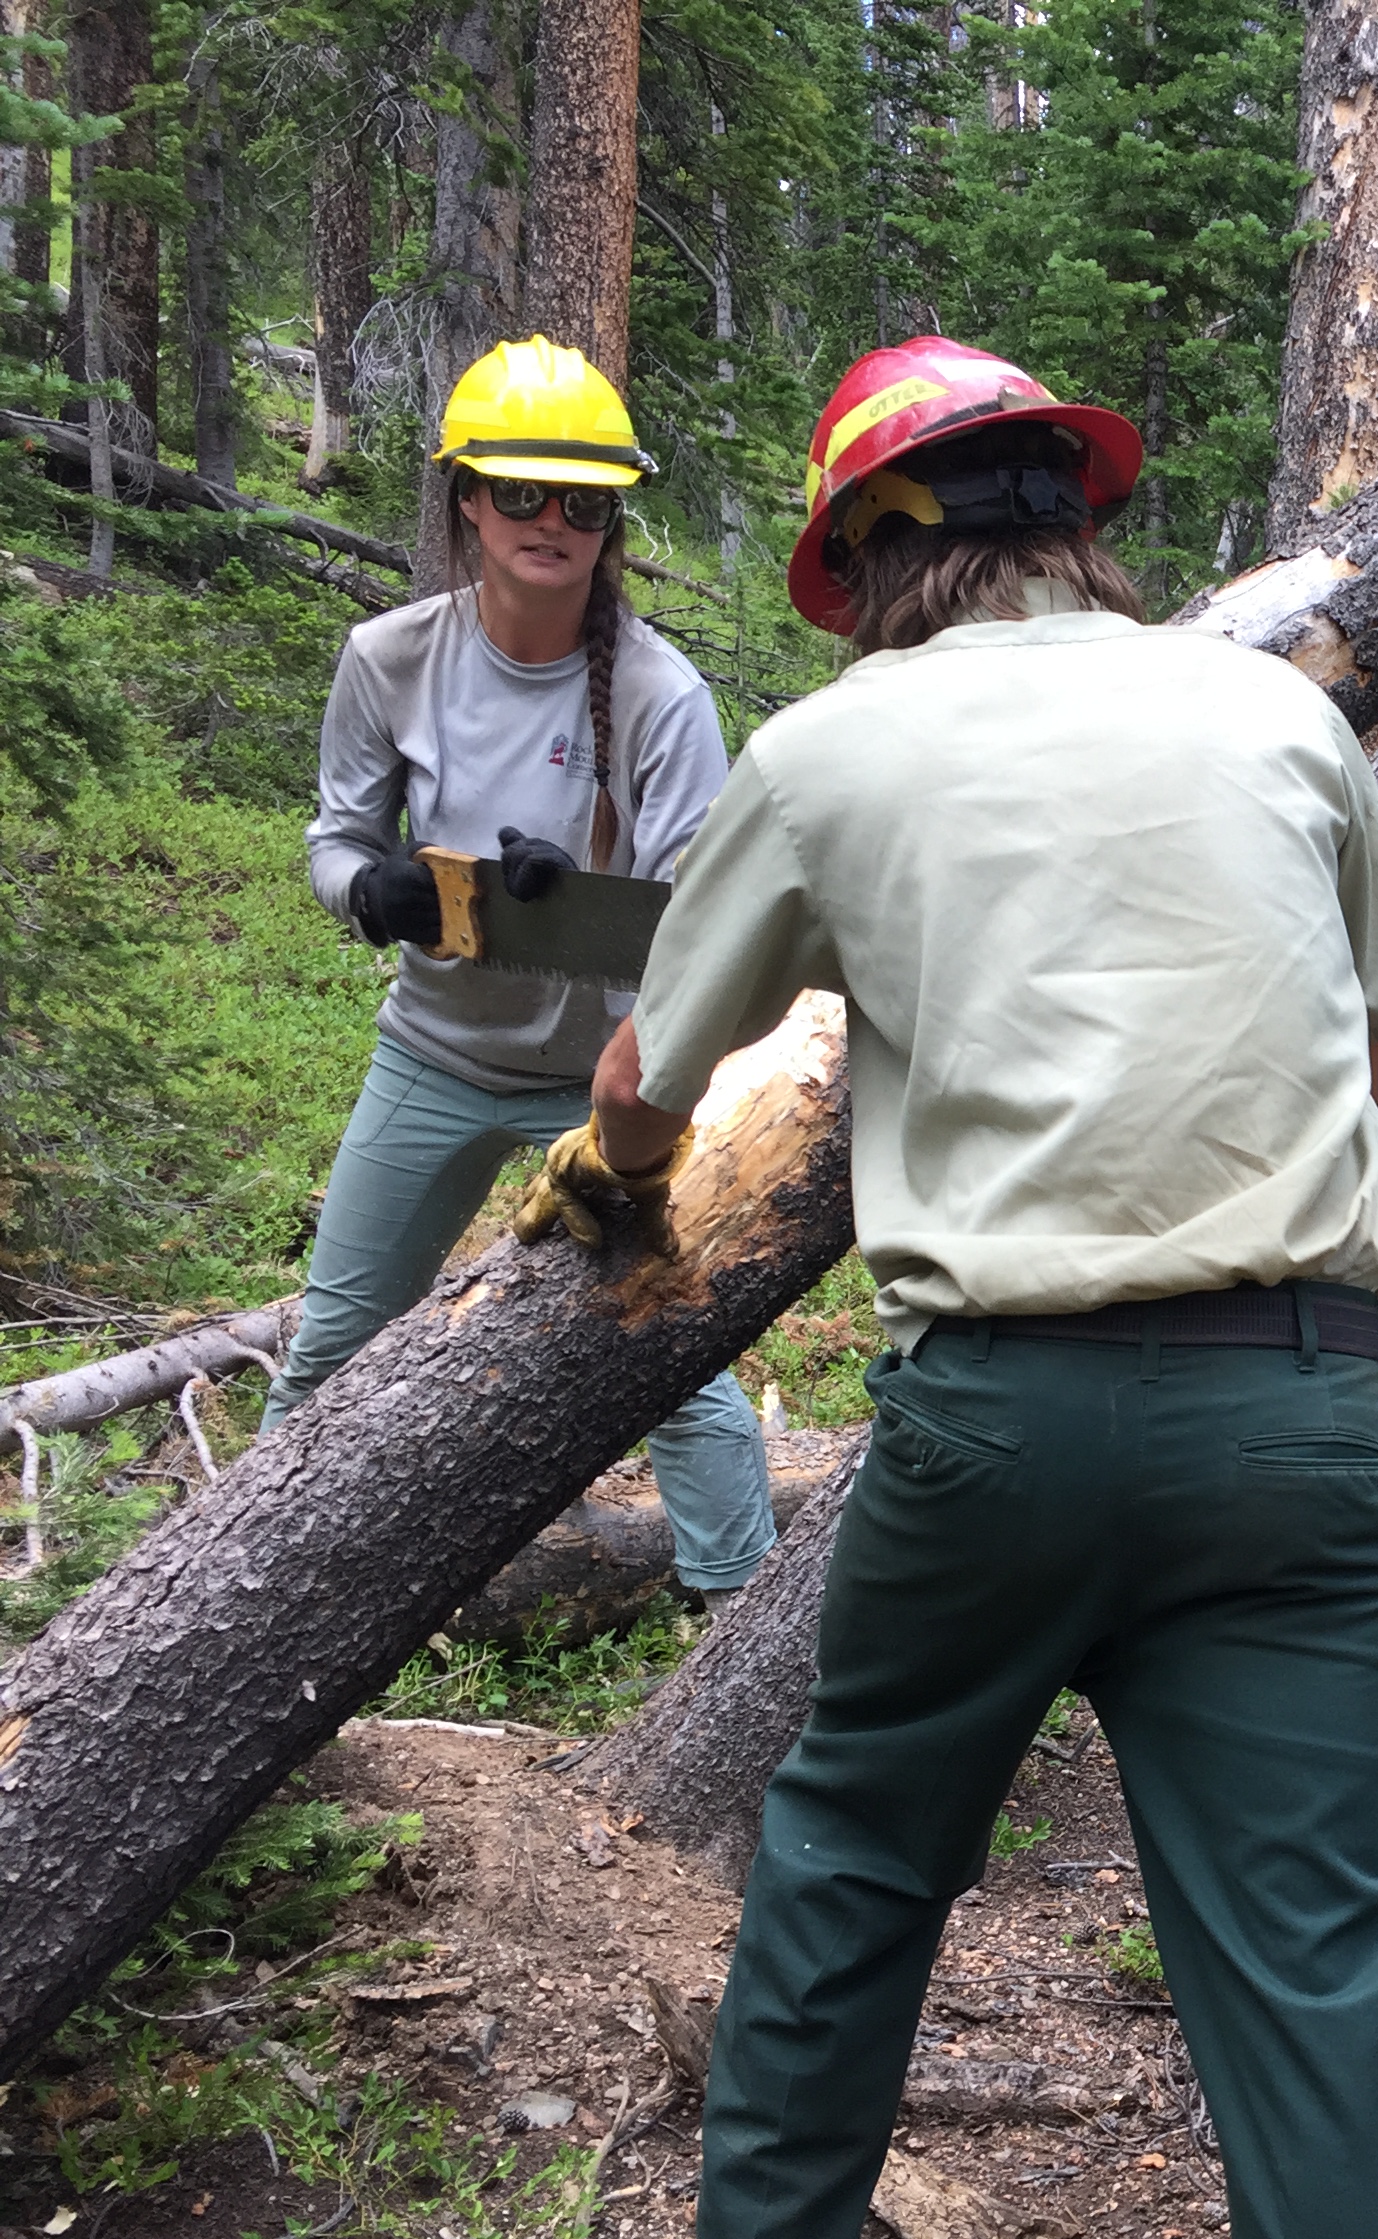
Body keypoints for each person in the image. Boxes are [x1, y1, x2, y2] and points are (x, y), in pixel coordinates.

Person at [512, 336, 1378, 2239]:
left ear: (868, 558)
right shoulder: (1274, 707)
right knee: (1315, 1989)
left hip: (1001, 1421)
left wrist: (609, 1197)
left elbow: (658, 1074)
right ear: (1081, 524)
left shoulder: (833, 755)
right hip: (1297, 1414)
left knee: (853, 1865)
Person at [272, 336, 775, 1600]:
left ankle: (737, 1609)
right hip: (433, 1056)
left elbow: (696, 927)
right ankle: (251, 1595)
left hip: (603, 1084)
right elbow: (335, 841)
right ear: (467, 504)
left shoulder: (661, 698)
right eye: (521, 493)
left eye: (585, 501)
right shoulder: (389, 657)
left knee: (668, 1352)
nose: (552, 521)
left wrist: (581, 899)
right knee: (334, 1338)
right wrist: (373, 891)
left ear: (611, 521)